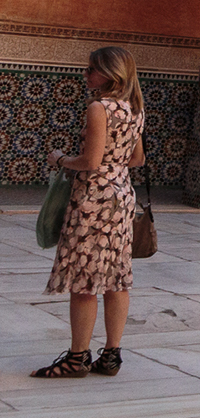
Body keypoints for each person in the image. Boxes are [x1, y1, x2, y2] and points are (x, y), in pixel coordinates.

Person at [32, 46, 148, 379]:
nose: (86, 75)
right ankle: (111, 355)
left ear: (110, 73)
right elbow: (137, 159)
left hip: (93, 200)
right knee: (116, 278)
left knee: (84, 279)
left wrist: (59, 159)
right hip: (122, 196)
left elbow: (90, 162)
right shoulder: (135, 108)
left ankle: (77, 357)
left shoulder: (99, 108)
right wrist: (115, 164)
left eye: (91, 70)